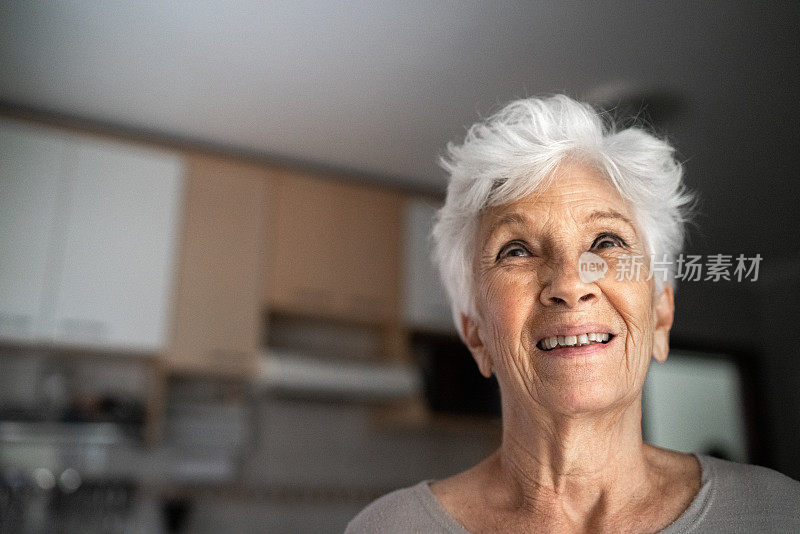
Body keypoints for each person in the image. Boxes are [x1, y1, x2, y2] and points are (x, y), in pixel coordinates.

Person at [346, 95, 800, 533]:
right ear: (477, 335)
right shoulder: (387, 529)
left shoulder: (779, 513)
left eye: (607, 241)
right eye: (516, 250)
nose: (569, 284)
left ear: (661, 315)